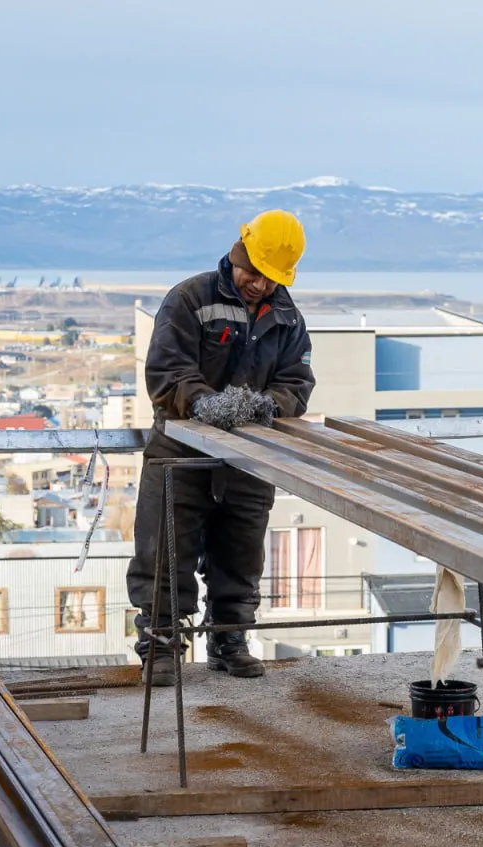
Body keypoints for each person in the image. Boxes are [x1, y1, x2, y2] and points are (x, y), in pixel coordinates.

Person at [128, 210, 315, 686]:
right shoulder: (189, 299)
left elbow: (297, 382)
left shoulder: (288, 318)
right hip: (181, 453)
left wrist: (266, 407)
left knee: (241, 554)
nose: (259, 285)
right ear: (238, 252)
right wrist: (206, 405)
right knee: (165, 553)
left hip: (249, 458)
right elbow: (167, 373)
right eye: (254, 273)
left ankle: (230, 639)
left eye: (271, 278)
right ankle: (161, 646)